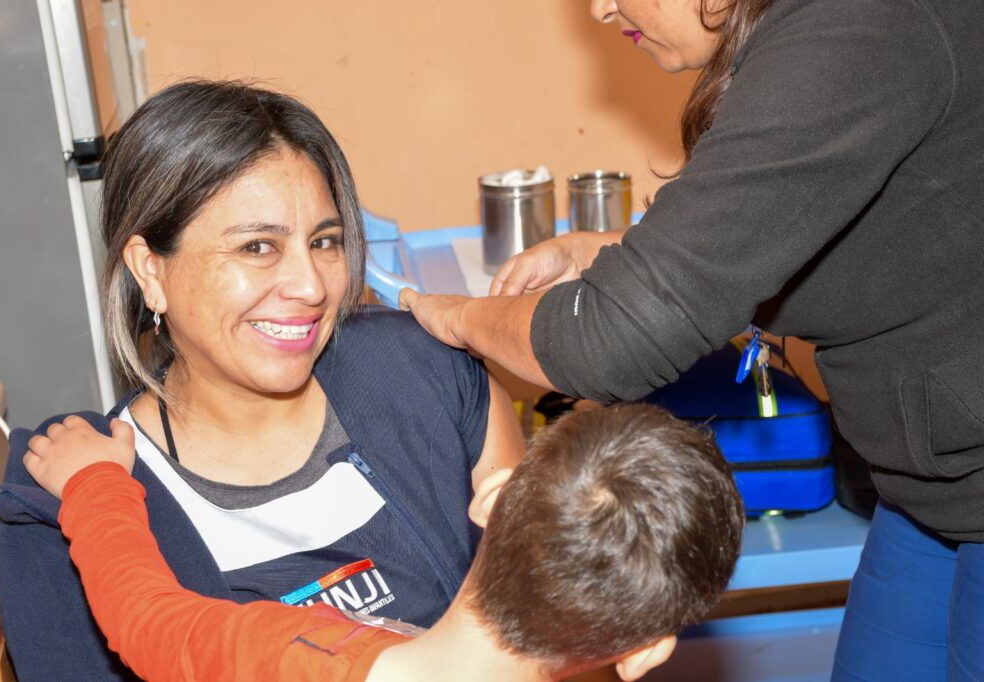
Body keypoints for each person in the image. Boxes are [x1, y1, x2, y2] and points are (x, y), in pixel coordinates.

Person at [399, 1, 984, 680]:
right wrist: (613, 251)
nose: (602, 8)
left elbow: (609, 338)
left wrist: (456, 316)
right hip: (929, 487)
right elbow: (817, 224)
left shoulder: (861, 23)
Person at [0, 79, 526, 680]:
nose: (312, 286)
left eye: (324, 241)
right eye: (258, 246)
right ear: (151, 271)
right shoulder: (62, 507)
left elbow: (540, 623)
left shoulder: (426, 374)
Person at [23, 402, 745, 682]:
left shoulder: (297, 655)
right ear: (645, 653)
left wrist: (94, 481)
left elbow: (146, 621)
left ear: (491, 498)